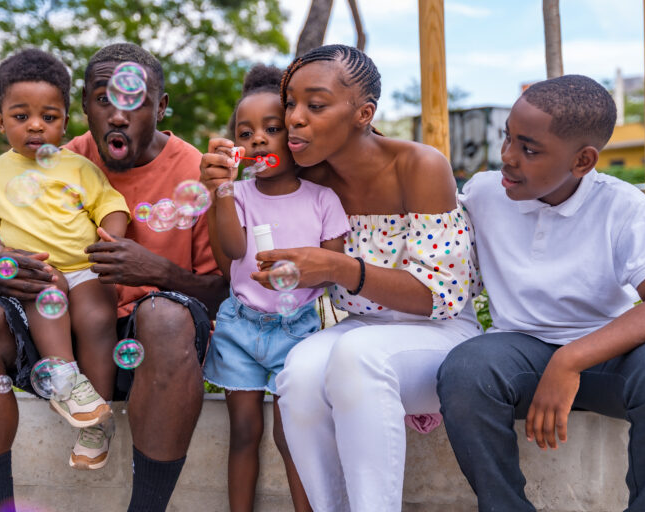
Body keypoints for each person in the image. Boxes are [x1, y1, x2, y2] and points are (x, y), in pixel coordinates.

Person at [0, 42, 228, 512]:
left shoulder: (197, 174)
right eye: (102, 98)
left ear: (160, 105)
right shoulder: (53, 159)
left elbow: (228, 295)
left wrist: (161, 273)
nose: (117, 115)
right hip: (60, 344)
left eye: (133, 100)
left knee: (165, 317)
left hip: (151, 353)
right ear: (84, 111)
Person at [202, 44, 483, 511]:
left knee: (354, 354)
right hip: (361, 331)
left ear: (363, 113)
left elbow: (443, 297)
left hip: (438, 332)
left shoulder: (419, 166)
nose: (293, 118)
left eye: (315, 105)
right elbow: (234, 253)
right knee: (299, 370)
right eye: (290, 103)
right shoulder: (311, 182)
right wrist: (221, 190)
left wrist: (334, 267)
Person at [437, 75, 645, 511]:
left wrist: (571, 358)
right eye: (507, 138)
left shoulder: (623, 207)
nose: (507, 157)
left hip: (609, 356)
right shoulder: (484, 194)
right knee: (466, 369)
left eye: (529, 149)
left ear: (582, 161)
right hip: (518, 356)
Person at [201, 64, 350, 512]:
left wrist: (300, 271)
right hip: (241, 328)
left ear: (294, 135)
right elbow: (230, 250)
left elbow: (333, 265)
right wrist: (222, 193)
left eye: (271, 128)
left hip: (300, 331)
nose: (258, 139)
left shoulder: (323, 199)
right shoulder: (239, 196)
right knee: (243, 433)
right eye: (245, 134)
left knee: (293, 436)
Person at [0, 48, 130, 447]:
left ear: (65, 122)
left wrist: (112, 237)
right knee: (46, 289)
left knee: (96, 319)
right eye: (22, 117)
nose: (36, 126)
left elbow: (110, 204)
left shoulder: (77, 166)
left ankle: (97, 418)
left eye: (49, 117)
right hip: (33, 270)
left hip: (85, 267)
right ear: (0, 121)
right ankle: (66, 382)